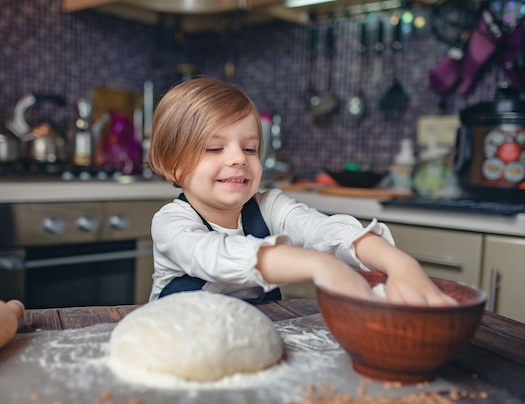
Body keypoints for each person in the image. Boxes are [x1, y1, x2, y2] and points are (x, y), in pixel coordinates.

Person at [146, 77, 456, 306]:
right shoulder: (171, 223)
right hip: (179, 342)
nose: (239, 158)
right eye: (214, 148)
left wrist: (401, 265)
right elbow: (218, 256)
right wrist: (318, 264)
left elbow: (327, 229)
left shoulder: (270, 208)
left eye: (250, 148)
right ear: (174, 166)